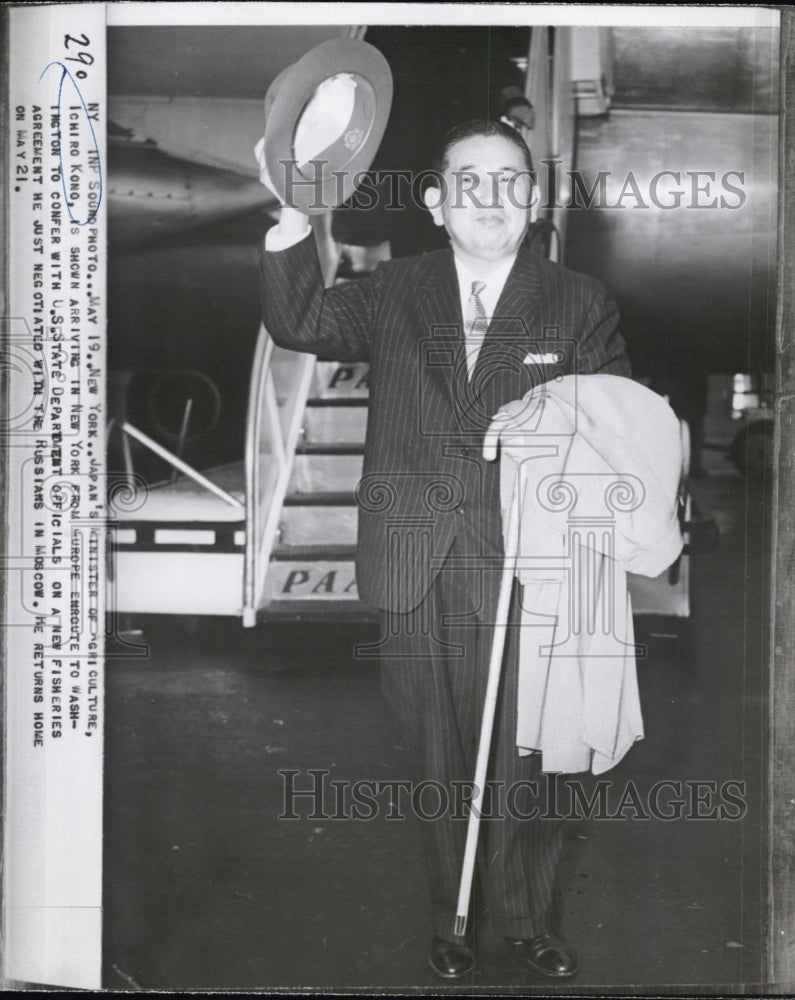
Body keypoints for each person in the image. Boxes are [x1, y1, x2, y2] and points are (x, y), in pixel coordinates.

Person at [256, 120, 631, 981]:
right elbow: (302, 319)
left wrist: (555, 430)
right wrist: (289, 216)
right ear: (435, 203)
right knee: (434, 750)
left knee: (525, 756)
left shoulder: (578, 301)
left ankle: (529, 916)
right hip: (414, 557)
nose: (489, 198)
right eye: (468, 181)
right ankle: (451, 918)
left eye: (509, 182)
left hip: (526, 564)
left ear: (533, 202)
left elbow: (612, 418)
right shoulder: (393, 289)